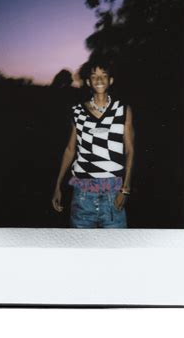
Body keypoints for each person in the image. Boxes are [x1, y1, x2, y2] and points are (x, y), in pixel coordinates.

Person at [52, 59, 135, 228]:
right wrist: (57, 185)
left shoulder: (123, 109)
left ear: (111, 80)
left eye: (104, 75)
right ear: (89, 82)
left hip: (113, 193)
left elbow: (130, 150)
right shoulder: (77, 111)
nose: (99, 80)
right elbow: (70, 149)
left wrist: (125, 188)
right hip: (82, 195)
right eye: (94, 76)